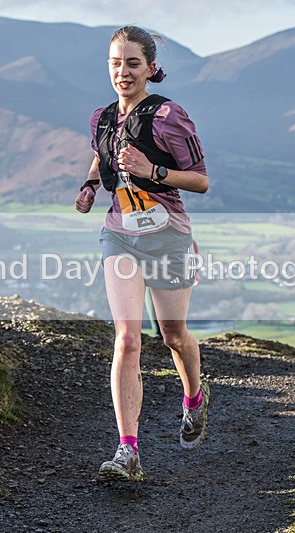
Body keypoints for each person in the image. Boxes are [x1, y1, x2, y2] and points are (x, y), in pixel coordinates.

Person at [74, 26, 210, 482]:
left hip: (168, 235)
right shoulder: (101, 117)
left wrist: (152, 170)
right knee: (127, 339)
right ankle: (127, 452)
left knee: (173, 336)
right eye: (115, 63)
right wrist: (92, 184)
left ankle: (193, 396)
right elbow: (103, 154)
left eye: (132, 63)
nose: (123, 71)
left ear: (150, 69)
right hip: (120, 235)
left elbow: (200, 179)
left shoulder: (170, 116)